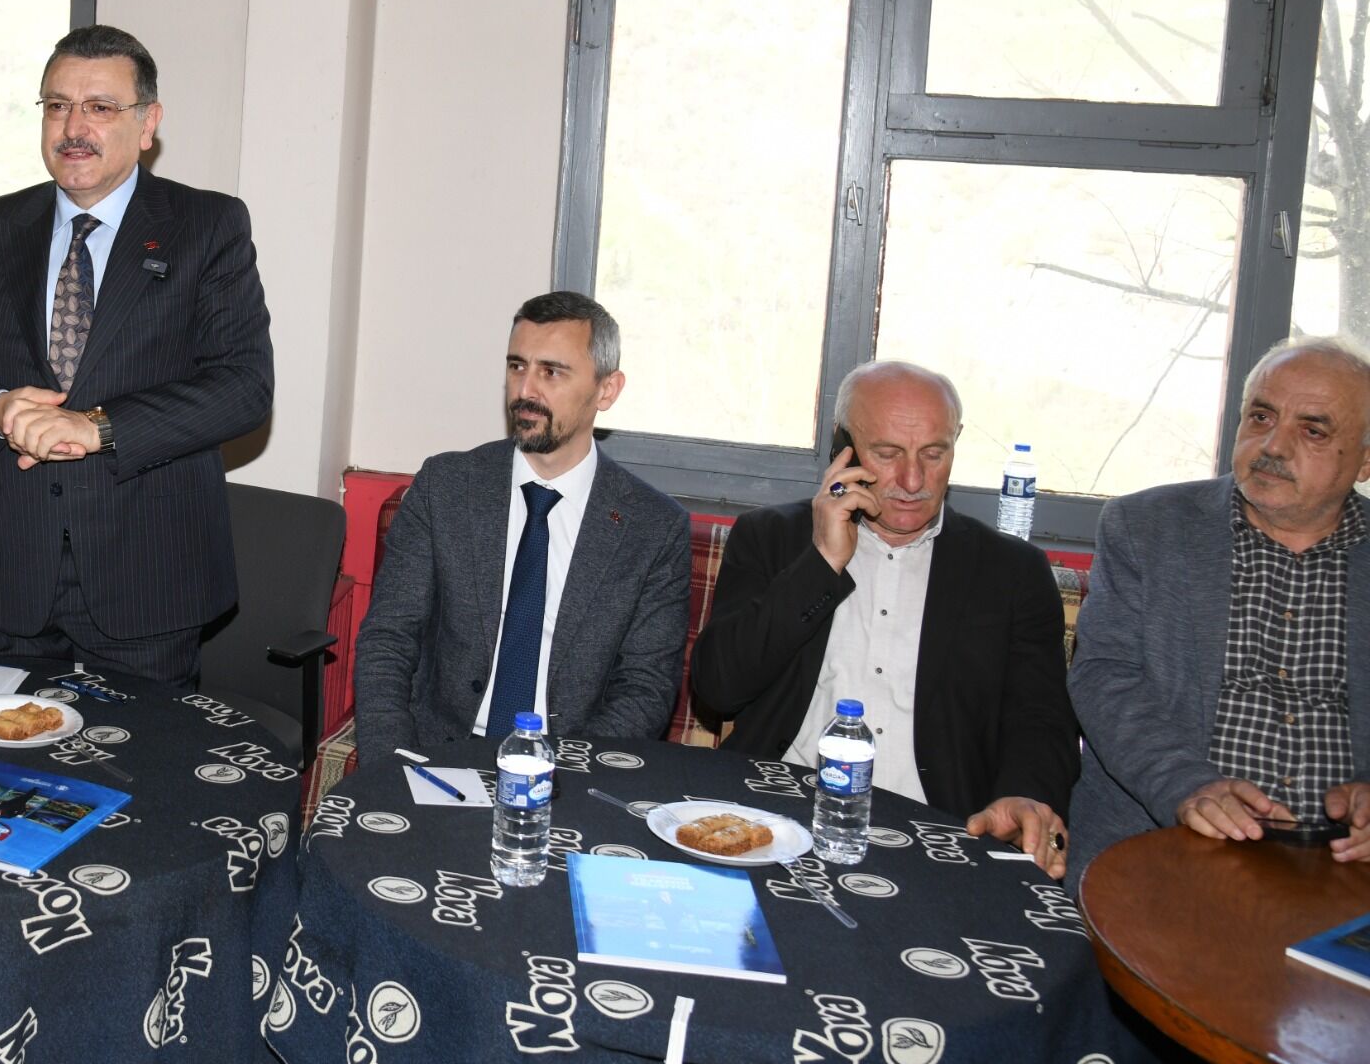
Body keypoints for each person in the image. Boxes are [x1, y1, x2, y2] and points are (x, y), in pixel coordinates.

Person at [0, 25, 272, 690]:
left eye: (100, 107)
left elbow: (243, 386)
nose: (74, 128)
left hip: (147, 572)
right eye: (57, 106)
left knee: (140, 755)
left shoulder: (207, 226)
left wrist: (96, 425)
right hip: (11, 570)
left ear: (147, 123)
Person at [692, 361, 1079, 876]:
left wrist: (1024, 797)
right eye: (889, 454)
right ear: (844, 448)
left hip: (940, 836)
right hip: (774, 816)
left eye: (934, 454)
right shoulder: (770, 538)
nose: (913, 480)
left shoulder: (1013, 573)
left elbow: (1042, 723)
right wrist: (822, 563)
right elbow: (718, 689)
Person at [1070, 335, 1370, 874]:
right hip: (1165, 848)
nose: (1273, 446)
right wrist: (1187, 786)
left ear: (1366, 460)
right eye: (1261, 417)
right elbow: (1103, 677)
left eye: (1313, 430)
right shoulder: (1147, 528)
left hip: (1344, 866)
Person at [353, 292, 691, 768]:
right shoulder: (446, 487)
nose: (525, 390)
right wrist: (393, 766)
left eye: (551, 372)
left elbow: (645, 689)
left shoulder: (653, 528)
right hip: (436, 757)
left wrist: (559, 781)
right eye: (517, 366)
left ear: (607, 390)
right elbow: (388, 638)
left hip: (569, 767)